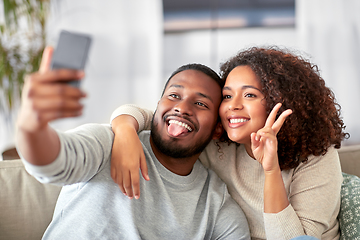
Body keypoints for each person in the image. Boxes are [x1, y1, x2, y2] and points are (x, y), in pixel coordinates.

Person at [109, 46, 348, 240]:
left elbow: (296, 239)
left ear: (280, 101)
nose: (233, 105)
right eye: (227, 96)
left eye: (249, 95)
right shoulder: (217, 142)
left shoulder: (316, 155)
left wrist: (271, 169)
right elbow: (157, 116)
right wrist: (125, 133)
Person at [15, 46, 251, 239]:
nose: (182, 108)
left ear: (217, 129)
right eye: (174, 96)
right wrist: (31, 125)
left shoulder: (215, 203)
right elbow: (52, 164)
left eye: (201, 104)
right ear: (157, 106)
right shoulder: (109, 142)